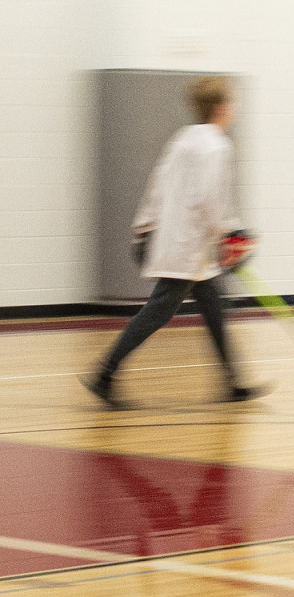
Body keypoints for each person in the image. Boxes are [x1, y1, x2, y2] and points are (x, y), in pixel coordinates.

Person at [82, 76, 270, 409]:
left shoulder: (183, 139)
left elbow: (158, 184)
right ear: (222, 107)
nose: (235, 108)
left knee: (214, 308)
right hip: (189, 246)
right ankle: (104, 375)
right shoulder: (217, 145)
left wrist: (144, 225)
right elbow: (211, 200)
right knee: (158, 312)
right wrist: (229, 235)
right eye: (232, 102)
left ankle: (232, 382)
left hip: (186, 244)